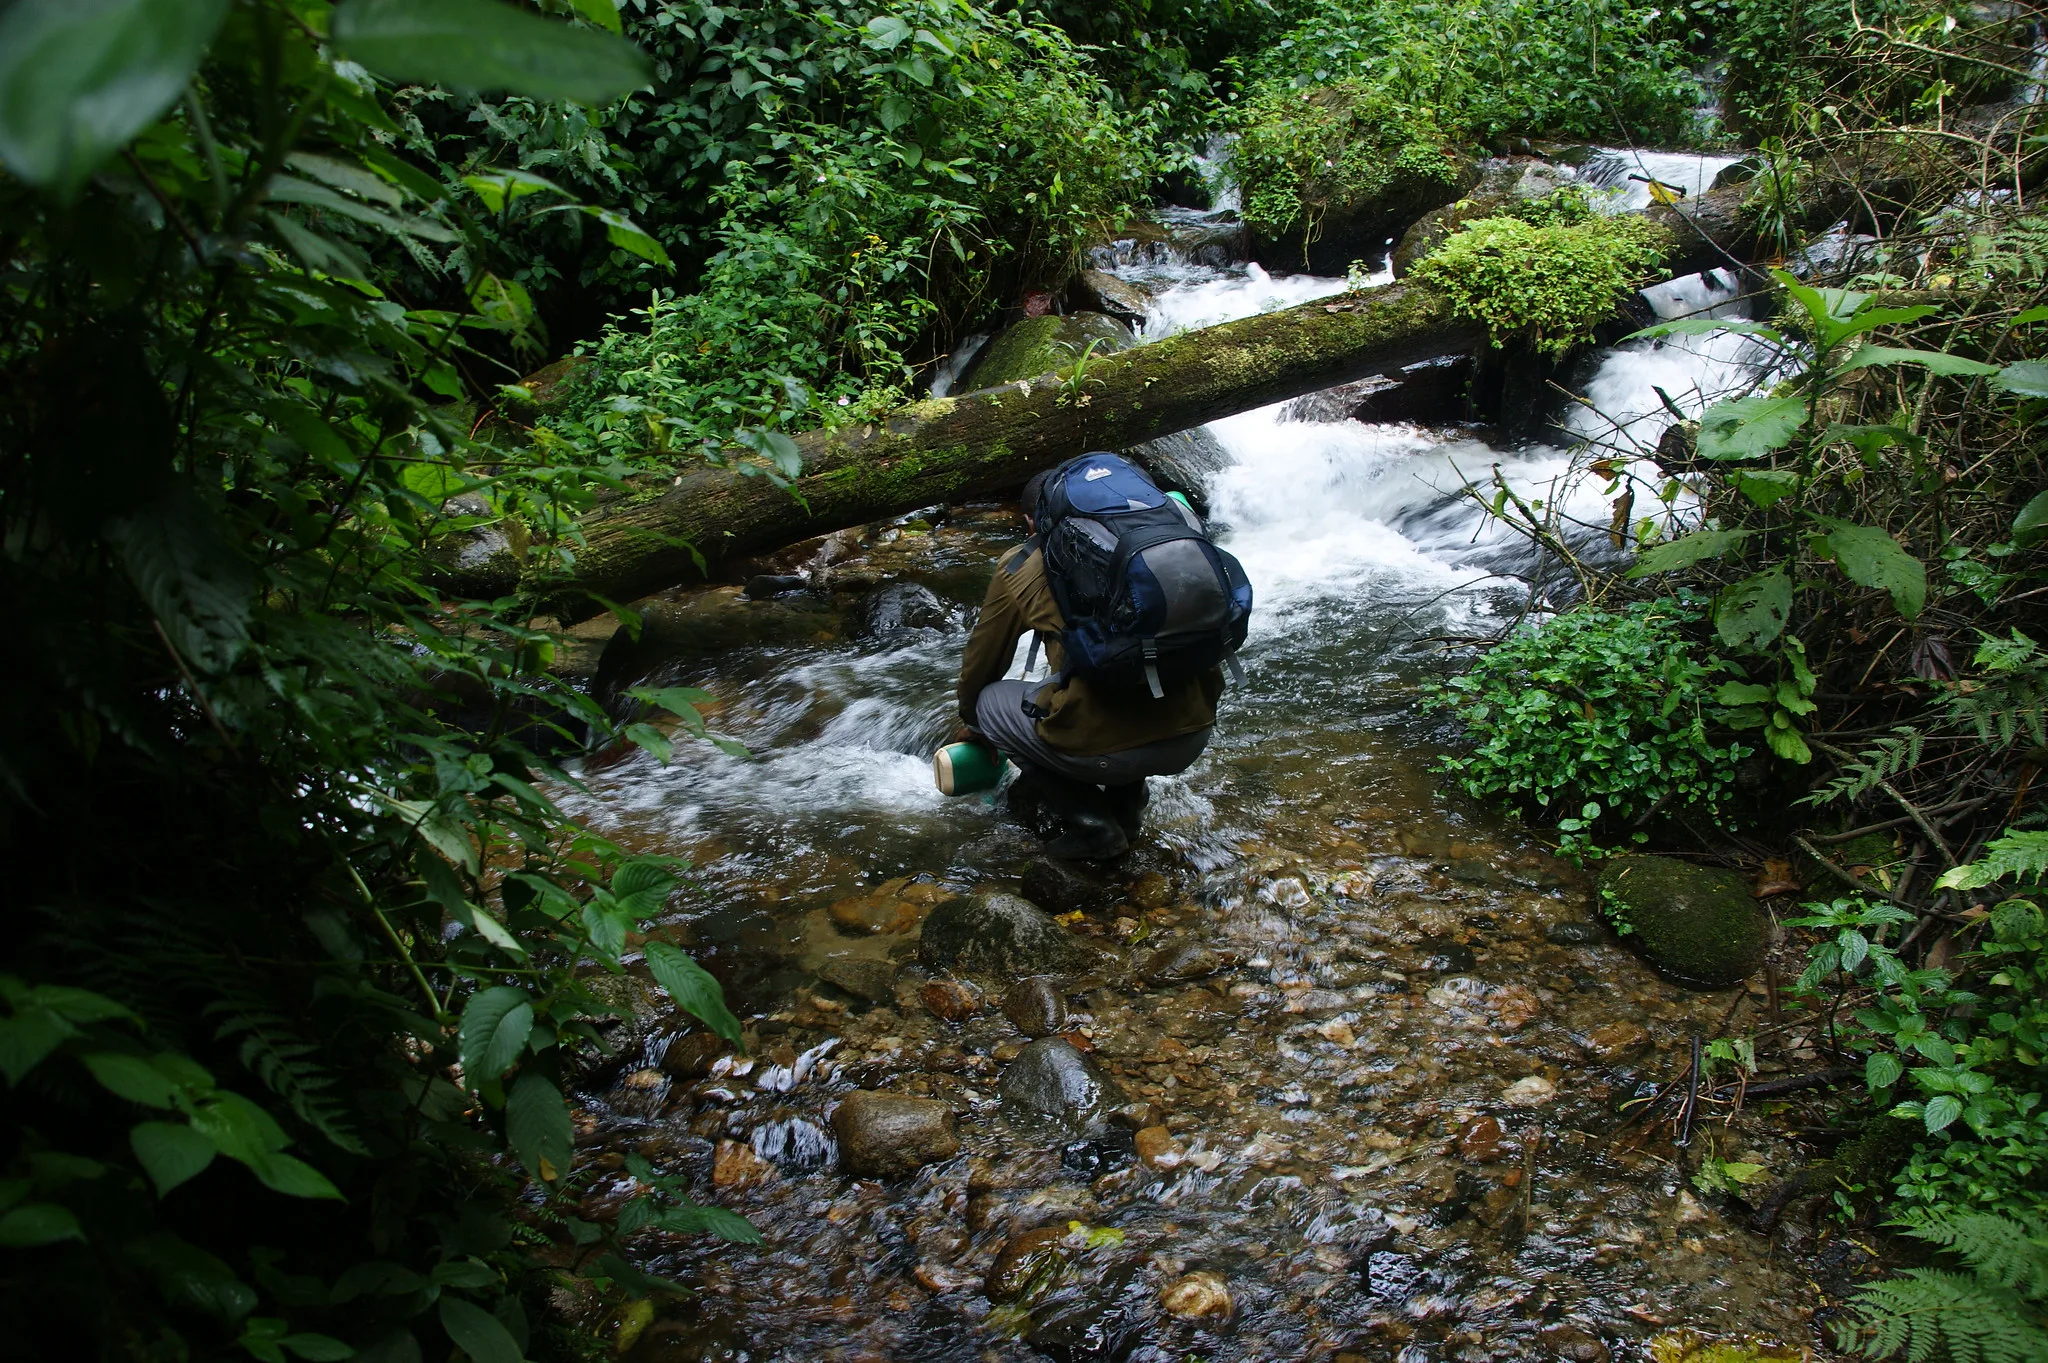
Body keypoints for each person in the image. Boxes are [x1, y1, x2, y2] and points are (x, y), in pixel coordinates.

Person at [953, 469, 1224, 859]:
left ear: (1031, 522)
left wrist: (975, 725)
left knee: (989, 704)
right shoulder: (1162, 543)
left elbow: (983, 661)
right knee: (1133, 661)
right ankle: (1127, 810)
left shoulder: (1021, 564)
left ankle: (1093, 825)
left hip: (1108, 753)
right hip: (1195, 732)